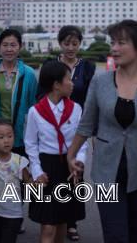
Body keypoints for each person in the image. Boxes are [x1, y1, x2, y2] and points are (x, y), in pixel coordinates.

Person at [67, 20, 137, 243]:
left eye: (121, 43)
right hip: (106, 171)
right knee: (115, 235)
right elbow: (86, 123)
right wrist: (71, 154)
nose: (114, 48)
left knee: (136, 235)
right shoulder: (100, 81)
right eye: (113, 42)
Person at [36, 25, 95, 241]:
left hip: (77, 125)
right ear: (60, 43)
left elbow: (91, 98)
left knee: (75, 173)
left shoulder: (87, 67)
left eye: (75, 43)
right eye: (66, 43)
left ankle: (71, 221)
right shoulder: (51, 65)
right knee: (51, 173)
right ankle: (48, 218)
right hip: (51, 124)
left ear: (80, 44)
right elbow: (41, 92)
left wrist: (89, 128)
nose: (70, 47)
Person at [25, 60, 87, 243]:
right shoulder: (35, 112)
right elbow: (31, 144)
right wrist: (36, 171)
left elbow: (81, 140)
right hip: (46, 168)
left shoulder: (76, 109)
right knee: (48, 225)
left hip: (69, 168)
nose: (72, 83)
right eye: (69, 78)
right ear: (56, 84)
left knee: (62, 221)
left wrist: (80, 161)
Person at [0, 28, 38, 157]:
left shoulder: (29, 74)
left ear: (20, 47)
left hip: (20, 135)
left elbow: (34, 104)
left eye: (13, 45)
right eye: (5, 45)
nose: (9, 49)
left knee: (20, 175)